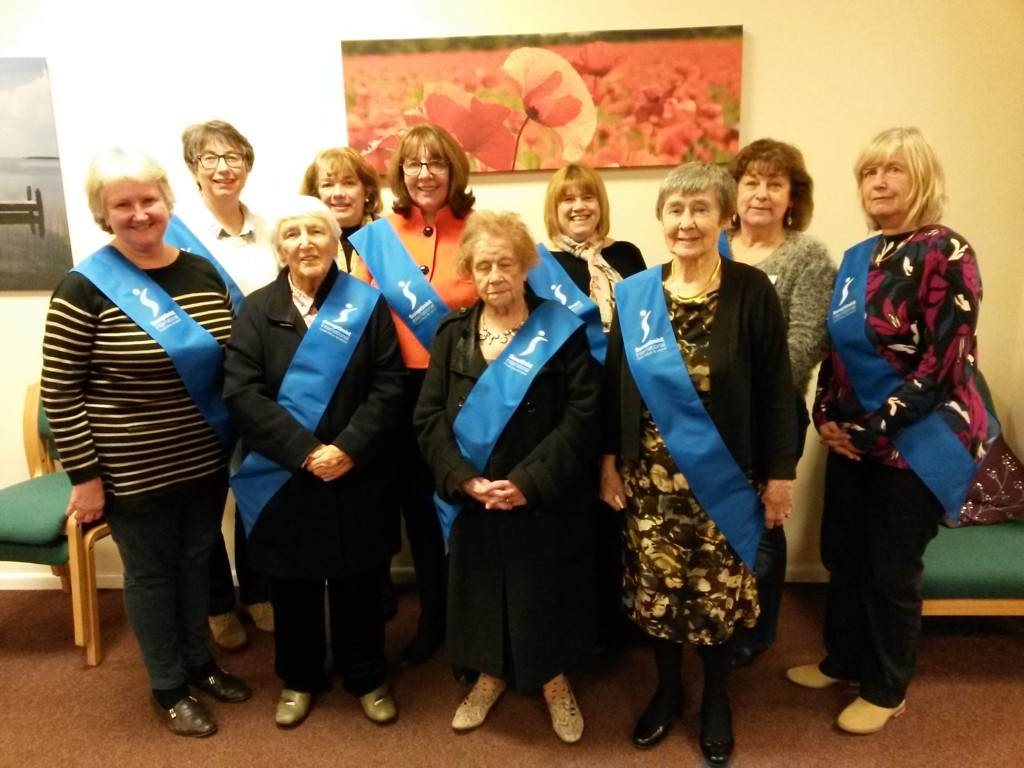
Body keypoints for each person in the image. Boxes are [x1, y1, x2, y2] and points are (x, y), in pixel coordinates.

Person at [41, 148, 250, 737]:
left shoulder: (201, 272)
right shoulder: (83, 288)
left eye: (149, 200)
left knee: (196, 562)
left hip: (203, 457)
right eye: (122, 205)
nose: (139, 214)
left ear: (168, 201)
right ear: (103, 214)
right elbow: (60, 391)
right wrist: (85, 478)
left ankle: (199, 664)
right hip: (131, 470)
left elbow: (229, 360)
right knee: (153, 576)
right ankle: (167, 687)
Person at [787, 127, 988, 735]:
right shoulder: (857, 258)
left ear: (920, 178)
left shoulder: (946, 251)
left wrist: (874, 430)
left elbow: (945, 363)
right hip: (853, 439)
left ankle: (886, 687)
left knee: (890, 570)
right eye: (870, 172)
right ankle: (844, 661)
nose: (878, 181)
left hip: (916, 442)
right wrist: (825, 417)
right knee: (843, 555)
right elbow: (837, 352)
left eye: (893, 169)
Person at [601, 162, 797, 765]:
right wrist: (608, 464)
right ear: (661, 219)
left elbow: (776, 390)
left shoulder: (750, 291)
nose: (687, 222)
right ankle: (667, 692)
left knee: (715, 599)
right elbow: (615, 387)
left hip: (725, 480)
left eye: (701, 209)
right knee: (659, 595)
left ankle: (715, 698)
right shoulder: (635, 295)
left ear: (724, 217)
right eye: (676, 210)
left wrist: (780, 476)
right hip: (650, 483)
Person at [414, 211, 600, 743]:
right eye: (483, 266)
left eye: (505, 264)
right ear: (470, 272)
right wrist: (464, 480)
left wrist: (528, 482)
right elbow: (428, 417)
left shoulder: (561, 331)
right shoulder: (452, 334)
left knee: (542, 589)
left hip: (539, 494)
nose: (495, 276)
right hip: (475, 496)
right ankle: (489, 675)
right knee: (480, 590)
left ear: (524, 267)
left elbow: (583, 415)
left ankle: (554, 681)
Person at [223, 196, 405, 729]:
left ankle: (366, 676)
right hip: (286, 472)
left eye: (316, 232)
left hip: (356, 469)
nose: (306, 243)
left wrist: (348, 448)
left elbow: (390, 385)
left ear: (334, 240)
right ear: (280, 247)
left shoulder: (367, 305)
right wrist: (304, 452)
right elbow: (242, 393)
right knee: (292, 584)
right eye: (293, 234)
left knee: (359, 580)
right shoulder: (256, 310)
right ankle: (298, 678)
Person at [350, 124, 478, 667]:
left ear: (454, 170)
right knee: (417, 511)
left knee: (461, 504)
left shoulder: (480, 230)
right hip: (395, 390)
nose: (424, 174)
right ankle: (433, 619)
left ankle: (472, 624)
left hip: (464, 391)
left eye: (436, 163)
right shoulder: (378, 238)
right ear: (400, 173)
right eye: (413, 163)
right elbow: (358, 319)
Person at [720, 139, 836, 668]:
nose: (761, 194)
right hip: (708, 415)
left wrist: (739, 389)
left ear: (793, 196)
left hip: (772, 414)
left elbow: (807, 339)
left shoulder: (806, 257)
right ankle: (717, 613)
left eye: (774, 183)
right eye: (751, 182)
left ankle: (758, 630)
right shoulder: (712, 243)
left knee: (765, 520)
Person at [528, 163, 647, 648]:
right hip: (573, 406)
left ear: (601, 203)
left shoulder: (627, 256)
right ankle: (584, 628)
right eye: (567, 199)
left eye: (588, 197)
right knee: (580, 518)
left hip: (629, 400)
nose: (579, 206)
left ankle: (624, 622)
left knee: (625, 513)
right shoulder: (538, 265)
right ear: (553, 209)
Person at [176, 120, 278, 650]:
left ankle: (258, 590)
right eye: (210, 158)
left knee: (257, 483)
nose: (223, 168)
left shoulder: (270, 230)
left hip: (260, 383)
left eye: (234, 157)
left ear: (248, 165)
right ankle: (217, 601)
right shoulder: (174, 236)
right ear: (193, 169)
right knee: (206, 497)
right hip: (199, 388)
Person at [298, 147, 383, 274]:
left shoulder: (388, 235)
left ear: (367, 191)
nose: (338, 193)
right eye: (327, 185)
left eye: (348, 183)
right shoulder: (303, 240)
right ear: (315, 194)